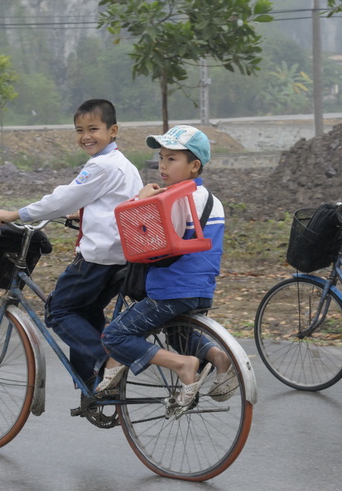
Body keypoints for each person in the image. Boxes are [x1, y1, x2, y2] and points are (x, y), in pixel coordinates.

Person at [0, 99, 143, 386]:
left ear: (113, 131)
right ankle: (96, 384)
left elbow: (63, 197)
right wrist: (82, 213)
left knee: (58, 310)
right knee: (85, 312)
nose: (85, 136)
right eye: (79, 130)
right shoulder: (123, 164)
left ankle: (106, 360)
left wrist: (17, 214)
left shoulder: (100, 166)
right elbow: (111, 202)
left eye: (93, 129)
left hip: (99, 258)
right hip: (122, 254)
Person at [97, 125, 238, 407]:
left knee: (114, 335)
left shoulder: (173, 200)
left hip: (170, 290)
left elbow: (148, 242)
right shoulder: (214, 201)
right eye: (161, 158)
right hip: (201, 289)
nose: (163, 165)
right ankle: (217, 357)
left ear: (194, 165)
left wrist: (141, 201)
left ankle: (182, 365)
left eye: (172, 159)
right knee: (177, 334)